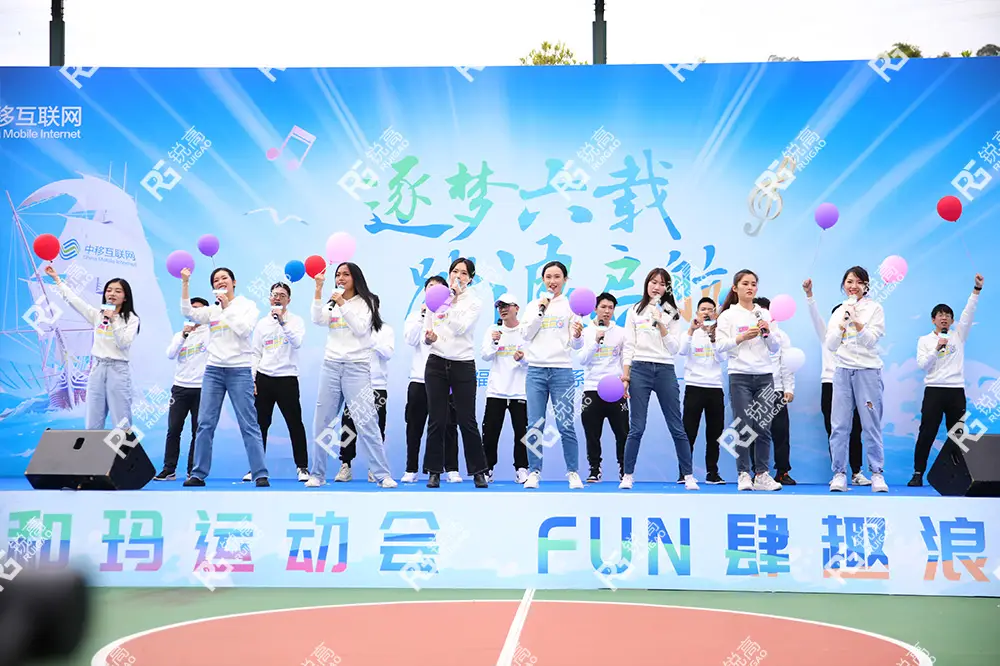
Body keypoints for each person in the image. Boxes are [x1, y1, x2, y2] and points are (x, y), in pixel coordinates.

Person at [306, 262, 396, 488]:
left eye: (346, 274)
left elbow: (360, 328)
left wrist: (342, 303)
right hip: (331, 366)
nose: (341, 278)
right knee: (322, 422)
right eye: (338, 274)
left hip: (356, 367)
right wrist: (318, 290)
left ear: (356, 277)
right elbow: (318, 319)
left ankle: (382, 474)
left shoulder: (367, 301)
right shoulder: (332, 301)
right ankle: (317, 474)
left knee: (367, 422)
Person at [179, 267, 269, 487]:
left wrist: (227, 306)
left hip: (239, 370)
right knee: (205, 424)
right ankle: (198, 473)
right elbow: (187, 312)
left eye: (224, 278)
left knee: (249, 423)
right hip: (213, 370)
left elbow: (244, 330)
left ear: (233, 282)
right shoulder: (212, 310)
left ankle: (260, 473)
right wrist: (185, 283)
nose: (220, 282)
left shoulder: (247, 306)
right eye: (216, 280)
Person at [620, 268, 698, 490]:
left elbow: (674, 348)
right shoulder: (635, 310)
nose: (657, 287)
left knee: (676, 426)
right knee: (637, 427)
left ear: (667, 288)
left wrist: (661, 323)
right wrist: (626, 375)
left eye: (662, 284)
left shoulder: (671, 312)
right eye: (653, 282)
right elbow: (629, 345)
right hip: (640, 369)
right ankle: (627, 475)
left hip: (664, 369)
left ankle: (688, 476)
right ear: (647, 284)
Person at [909, 273, 983, 486]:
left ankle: (958, 477)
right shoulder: (925, 340)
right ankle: (918, 473)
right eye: (940, 315)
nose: (944, 318)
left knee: (958, 435)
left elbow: (968, 313)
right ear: (933, 319)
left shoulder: (958, 335)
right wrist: (936, 349)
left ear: (951, 320)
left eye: (948, 315)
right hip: (934, 390)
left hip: (955, 390)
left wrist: (976, 290)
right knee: (927, 432)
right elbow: (923, 365)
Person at [44, 266, 140, 432]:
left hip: (118, 370)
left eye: (118, 291)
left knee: (121, 419)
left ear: (125, 297)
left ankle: (123, 448)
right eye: (109, 290)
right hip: (98, 368)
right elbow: (74, 301)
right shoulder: (97, 315)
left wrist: (113, 321)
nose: (112, 294)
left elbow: (123, 343)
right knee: (93, 419)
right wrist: (57, 280)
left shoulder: (131, 319)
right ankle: (93, 448)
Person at [422, 257, 489, 489]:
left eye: (463, 273)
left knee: (467, 420)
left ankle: (479, 471)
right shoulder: (436, 296)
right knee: (437, 419)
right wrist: (429, 337)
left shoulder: (474, 302)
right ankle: (433, 472)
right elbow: (427, 332)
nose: (458, 276)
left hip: (462, 363)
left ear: (470, 279)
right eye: (454, 271)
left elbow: (461, 328)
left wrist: (448, 304)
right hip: (436, 362)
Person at [714, 269, 783, 492]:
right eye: (745, 284)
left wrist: (768, 332)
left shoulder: (764, 314)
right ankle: (743, 473)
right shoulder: (727, 316)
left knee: (763, 427)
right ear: (735, 288)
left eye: (753, 284)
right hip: (740, 375)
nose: (750, 287)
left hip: (765, 376)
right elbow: (720, 345)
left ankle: (762, 474)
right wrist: (741, 337)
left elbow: (775, 347)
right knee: (743, 426)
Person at [520, 261, 585, 489]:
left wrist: (578, 336)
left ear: (565, 280)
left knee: (565, 424)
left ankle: (573, 472)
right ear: (543, 279)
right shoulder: (534, 305)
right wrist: (541, 311)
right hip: (536, 371)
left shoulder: (571, 307)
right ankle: (534, 472)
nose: (552, 281)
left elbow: (576, 345)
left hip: (562, 371)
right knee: (534, 425)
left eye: (557, 277)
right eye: (548, 277)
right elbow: (526, 334)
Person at [825, 266, 887, 493]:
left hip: (868, 370)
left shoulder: (875, 309)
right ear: (844, 285)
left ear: (866, 286)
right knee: (840, 425)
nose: (854, 286)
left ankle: (877, 473)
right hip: (843, 371)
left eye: (859, 282)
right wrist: (843, 322)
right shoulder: (839, 311)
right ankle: (839, 474)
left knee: (870, 425)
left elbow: (870, 340)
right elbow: (831, 345)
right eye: (850, 281)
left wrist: (857, 321)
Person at [803, 278, 870, 486]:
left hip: (853, 382)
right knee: (834, 431)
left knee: (856, 429)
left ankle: (857, 472)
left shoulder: (855, 339)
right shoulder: (827, 337)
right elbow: (815, 317)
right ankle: (838, 472)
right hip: (830, 384)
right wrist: (809, 295)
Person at [400, 276, 461, 483]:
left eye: (438, 288)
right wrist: (423, 315)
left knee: (448, 425)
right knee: (414, 426)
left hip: (445, 379)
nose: (433, 291)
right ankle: (411, 468)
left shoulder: (449, 315)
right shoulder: (415, 316)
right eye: (430, 287)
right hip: (419, 378)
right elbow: (410, 339)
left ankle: (451, 468)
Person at [248, 282, 309, 482]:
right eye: (274, 294)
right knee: (260, 425)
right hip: (264, 378)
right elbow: (255, 353)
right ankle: (256, 468)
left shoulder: (296, 321)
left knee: (295, 424)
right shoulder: (262, 324)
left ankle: (302, 467)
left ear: (288, 300)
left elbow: (297, 343)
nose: (277, 298)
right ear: (269, 298)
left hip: (287, 378)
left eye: (282, 295)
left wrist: (282, 321)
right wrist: (253, 378)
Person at [336, 294, 393, 483]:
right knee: (348, 426)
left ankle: (375, 468)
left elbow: (388, 353)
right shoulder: (352, 328)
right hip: (355, 385)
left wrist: (371, 341)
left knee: (376, 428)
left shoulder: (385, 330)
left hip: (377, 386)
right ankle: (345, 465)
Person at [155, 297, 209, 481]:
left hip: (202, 388)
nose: (194, 313)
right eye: (192, 309)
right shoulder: (180, 334)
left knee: (198, 431)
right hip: (180, 388)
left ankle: (193, 470)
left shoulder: (210, 333)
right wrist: (184, 335)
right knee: (173, 429)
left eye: (199, 309)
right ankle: (169, 469)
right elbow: (170, 354)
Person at [577, 292, 629, 483]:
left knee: (623, 432)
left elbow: (625, 358)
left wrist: (625, 383)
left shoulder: (621, 332)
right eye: (603, 307)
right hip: (592, 388)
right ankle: (594, 469)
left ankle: (624, 469)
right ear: (595, 308)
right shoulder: (586, 331)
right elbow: (582, 360)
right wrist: (595, 342)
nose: (607, 311)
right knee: (592, 433)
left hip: (615, 389)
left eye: (610, 308)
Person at [480, 293, 529, 483]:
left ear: (517, 308)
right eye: (500, 306)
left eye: (507, 306)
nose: (503, 309)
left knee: (523, 433)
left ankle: (522, 468)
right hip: (496, 391)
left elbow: (534, 360)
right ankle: (487, 469)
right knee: (490, 433)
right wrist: (495, 343)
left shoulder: (526, 331)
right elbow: (485, 355)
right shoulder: (493, 330)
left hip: (520, 390)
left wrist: (522, 359)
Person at [677, 296, 726, 485]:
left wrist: (712, 337)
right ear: (697, 313)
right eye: (703, 309)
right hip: (694, 386)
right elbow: (682, 351)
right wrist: (691, 330)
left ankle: (712, 472)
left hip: (714, 387)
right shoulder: (689, 333)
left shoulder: (720, 334)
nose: (707, 312)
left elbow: (722, 358)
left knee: (715, 434)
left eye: (710, 310)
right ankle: (684, 472)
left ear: (715, 314)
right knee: (689, 432)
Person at [753, 296, 796, 485]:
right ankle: (756, 472)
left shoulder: (781, 336)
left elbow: (787, 363)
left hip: (776, 390)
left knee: (781, 432)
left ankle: (782, 472)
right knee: (753, 432)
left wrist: (789, 388)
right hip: (755, 389)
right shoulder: (749, 333)